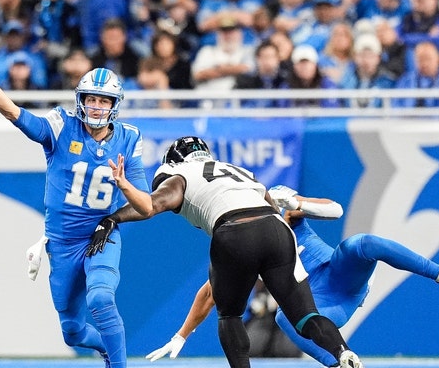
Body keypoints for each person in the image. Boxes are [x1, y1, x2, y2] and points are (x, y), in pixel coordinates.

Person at [85, 136, 364, 368]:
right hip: (276, 229)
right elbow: (268, 208)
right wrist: (182, 335)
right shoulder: (240, 172)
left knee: (229, 316)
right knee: (306, 317)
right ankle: (342, 352)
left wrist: (113, 218)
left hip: (233, 230)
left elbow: (152, 204)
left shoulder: (178, 174)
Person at [0, 39, 153, 368]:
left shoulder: (128, 138)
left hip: (100, 236)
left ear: (114, 105)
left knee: (101, 297)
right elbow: (14, 113)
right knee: (73, 332)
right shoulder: (62, 126)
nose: (95, 106)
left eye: (102, 100)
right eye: (90, 99)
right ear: (81, 100)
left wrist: (123, 184)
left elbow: (146, 206)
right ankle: (106, 349)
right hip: (61, 242)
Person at [144, 184, 439, 368]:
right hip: (314, 302)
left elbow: (334, 209)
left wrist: (297, 202)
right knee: (284, 317)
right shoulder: (242, 232)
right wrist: (182, 334)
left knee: (361, 243)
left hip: (336, 276)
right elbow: (212, 290)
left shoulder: (271, 203)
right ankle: (340, 362)